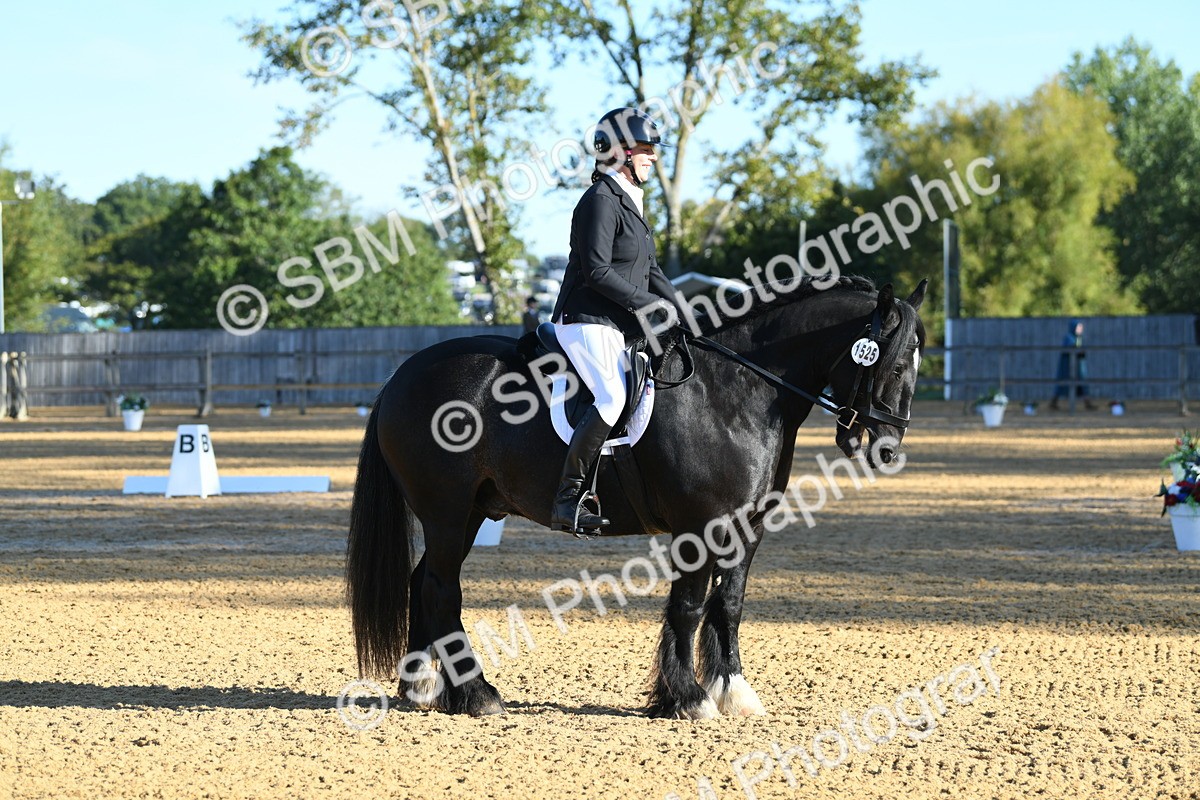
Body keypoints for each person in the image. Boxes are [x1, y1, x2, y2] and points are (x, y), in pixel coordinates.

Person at [548, 107, 684, 533]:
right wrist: (649, 305)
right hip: (587, 319)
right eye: (646, 149)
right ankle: (567, 499)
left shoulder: (630, 204)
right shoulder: (599, 202)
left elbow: (653, 272)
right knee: (611, 397)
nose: (653, 157)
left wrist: (685, 311)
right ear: (621, 153)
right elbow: (597, 271)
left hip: (617, 322)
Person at [1050, 319, 1097, 410]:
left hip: (1078, 365)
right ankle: (1053, 402)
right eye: (1078, 327)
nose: (1081, 329)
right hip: (1067, 366)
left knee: (1083, 383)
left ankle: (1087, 403)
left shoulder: (1078, 338)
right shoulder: (1069, 337)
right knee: (1062, 383)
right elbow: (1071, 348)